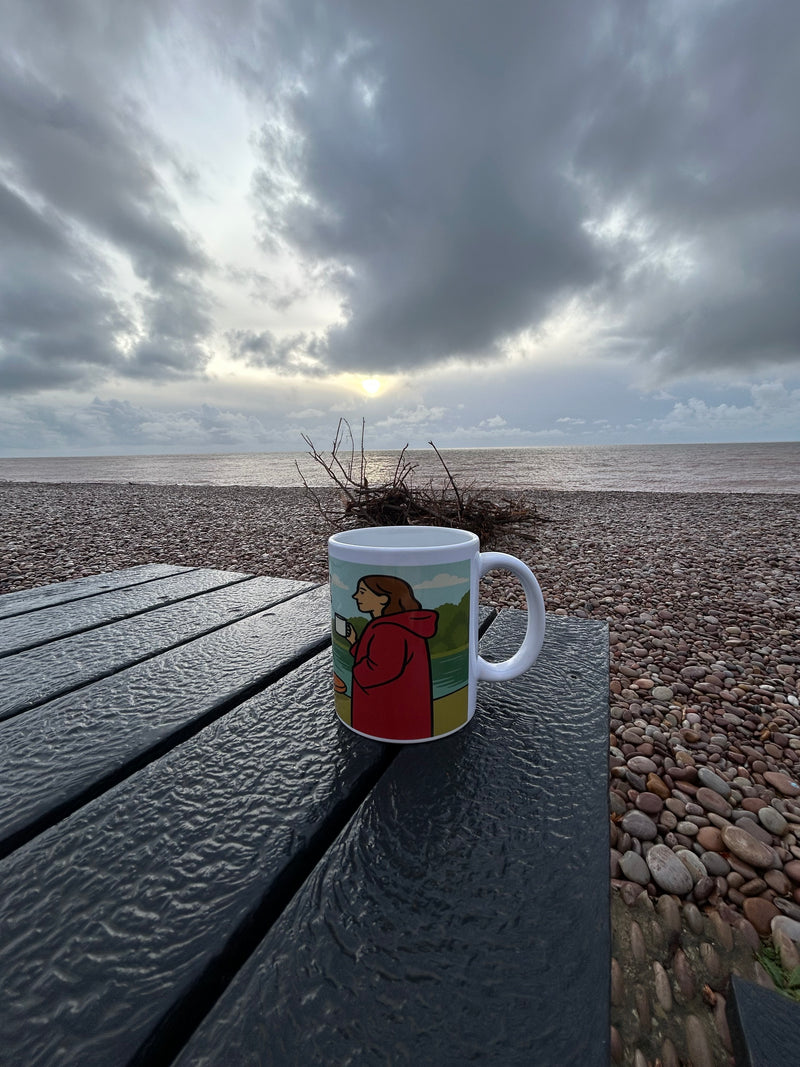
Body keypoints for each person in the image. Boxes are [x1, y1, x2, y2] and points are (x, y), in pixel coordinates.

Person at [346, 574, 438, 740]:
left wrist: (355, 671)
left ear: (383, 599)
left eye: (362, 592)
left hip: (383, 719)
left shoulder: (387, 629)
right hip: (408, 716)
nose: (355, 596)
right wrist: (355, 643)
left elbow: (377, 671)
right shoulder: (399, 624)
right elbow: (380, 656)